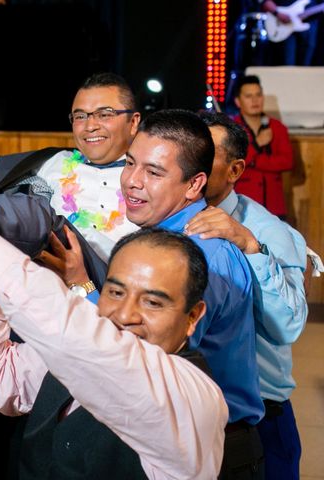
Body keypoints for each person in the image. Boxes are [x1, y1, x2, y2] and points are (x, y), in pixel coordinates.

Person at [0, 179, 227, 479]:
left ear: (192, 317)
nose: (126, 315)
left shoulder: (194, 396)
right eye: (115, 292)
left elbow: (86, 345)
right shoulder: (74, 354)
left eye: (152, 302)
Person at [120, 109, 265, 478]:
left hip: (211, 453)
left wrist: (78, 286)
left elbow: (138, 357)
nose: (131, 181)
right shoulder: (165, 238)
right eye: (129, 163)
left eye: (153, 172)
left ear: (193, 185)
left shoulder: (200, 252)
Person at [185, 112, 307, 480]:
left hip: (258, 418)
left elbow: (287, 326)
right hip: (190, 411)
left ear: (235, 170)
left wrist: (250, 247)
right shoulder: (167, 219)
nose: (191, 162)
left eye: (205, 154)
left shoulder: (266, 230)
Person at [0, 72, 141, 262]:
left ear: (133, 122)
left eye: (104, 114)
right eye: (80, 116)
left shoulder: (151, 175)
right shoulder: (53, 163)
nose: (90, 126)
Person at [232, 75, 294, 218]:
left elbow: (287, 162)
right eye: (248, 96)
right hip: (243, 204)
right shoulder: (232, 128)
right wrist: (257, 144)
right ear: (238, 101)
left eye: (258, 95)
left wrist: (253, 161)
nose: (255, 100)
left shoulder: (277, 128)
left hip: (274, 205)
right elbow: (232, 163)